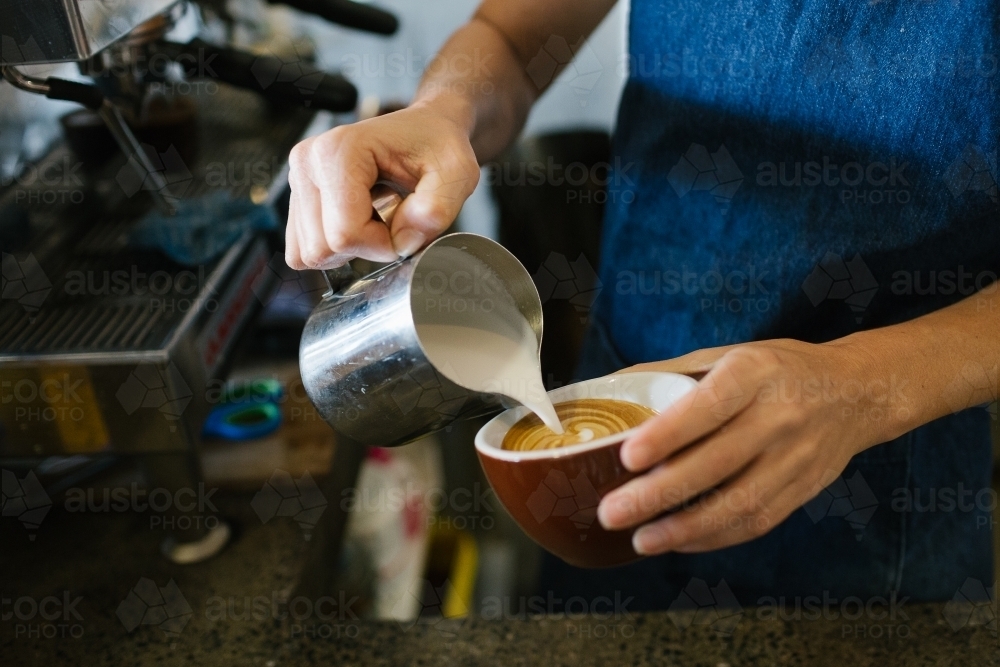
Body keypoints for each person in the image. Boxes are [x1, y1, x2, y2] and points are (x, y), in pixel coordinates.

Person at [285, 0, 999, 607]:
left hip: (882, 461)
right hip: (625, 383)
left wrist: (865, 388)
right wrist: (444, 110)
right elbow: (514, 41)